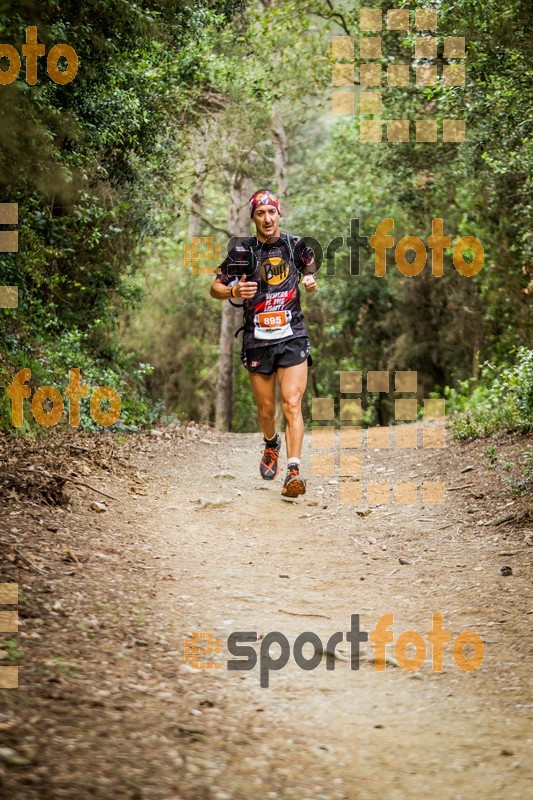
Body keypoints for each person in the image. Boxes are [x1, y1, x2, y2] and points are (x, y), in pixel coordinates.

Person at [210, 189, 317, 497]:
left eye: (272, 212)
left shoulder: (295, 245)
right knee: (266, 410)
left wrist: (309, 279)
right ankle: (271, 443)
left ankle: (293, 471)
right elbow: (215, 286)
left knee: (292, 403)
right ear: (254, 217)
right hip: (258, 339)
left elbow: (309, 264)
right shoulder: (243, 251)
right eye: (261, 213)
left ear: (278, 214)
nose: (267, 218)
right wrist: (232, 292)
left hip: (292, 333)